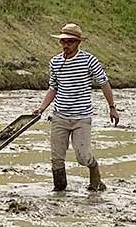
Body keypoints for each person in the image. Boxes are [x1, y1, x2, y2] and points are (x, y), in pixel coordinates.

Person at [34, 23, 120, 192]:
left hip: (81, 117)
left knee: (83, 157)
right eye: (63, 42)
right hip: (59, 116)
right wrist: (41, 108)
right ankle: (59, 191)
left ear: (78, 42)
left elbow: (104, 83)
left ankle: (95, 177)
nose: (66, 45)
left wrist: (112, 107)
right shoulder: (55, 62)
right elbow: (53, 88)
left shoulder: (89, 60)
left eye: (70, 42)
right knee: (56, 158)